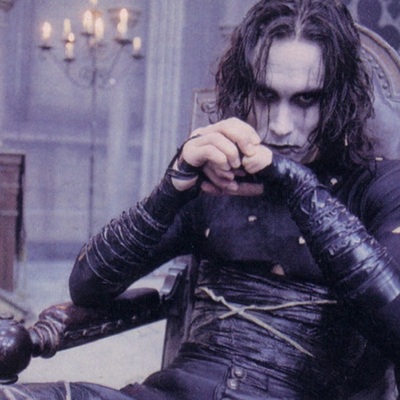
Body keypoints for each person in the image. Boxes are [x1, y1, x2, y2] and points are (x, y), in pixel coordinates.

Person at [3, 0, 400, 398]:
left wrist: (299, 187)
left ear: (340, 99)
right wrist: (168, 192)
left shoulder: (381, 185)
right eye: (265, 95)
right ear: (244, 90)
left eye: (306, 100)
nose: (281, 127)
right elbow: (86, 287)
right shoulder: (218, 179)